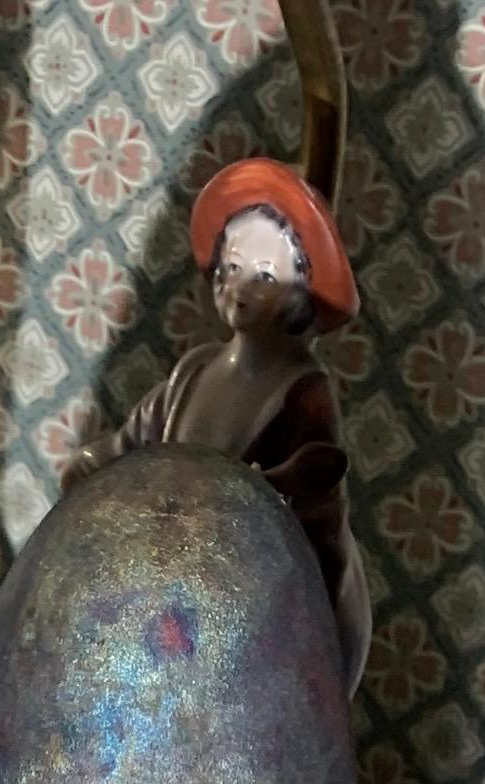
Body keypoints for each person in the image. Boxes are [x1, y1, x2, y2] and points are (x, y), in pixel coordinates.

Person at [102, 156, 369, 691]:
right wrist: (101, 463)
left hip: (247, 604)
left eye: (264, 277)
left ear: (303, 290)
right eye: (230, 268)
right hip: (167, 576)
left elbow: (309, 504)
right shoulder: (196, 369)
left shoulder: (301, 393)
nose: (239, 287)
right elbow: (138, 437)